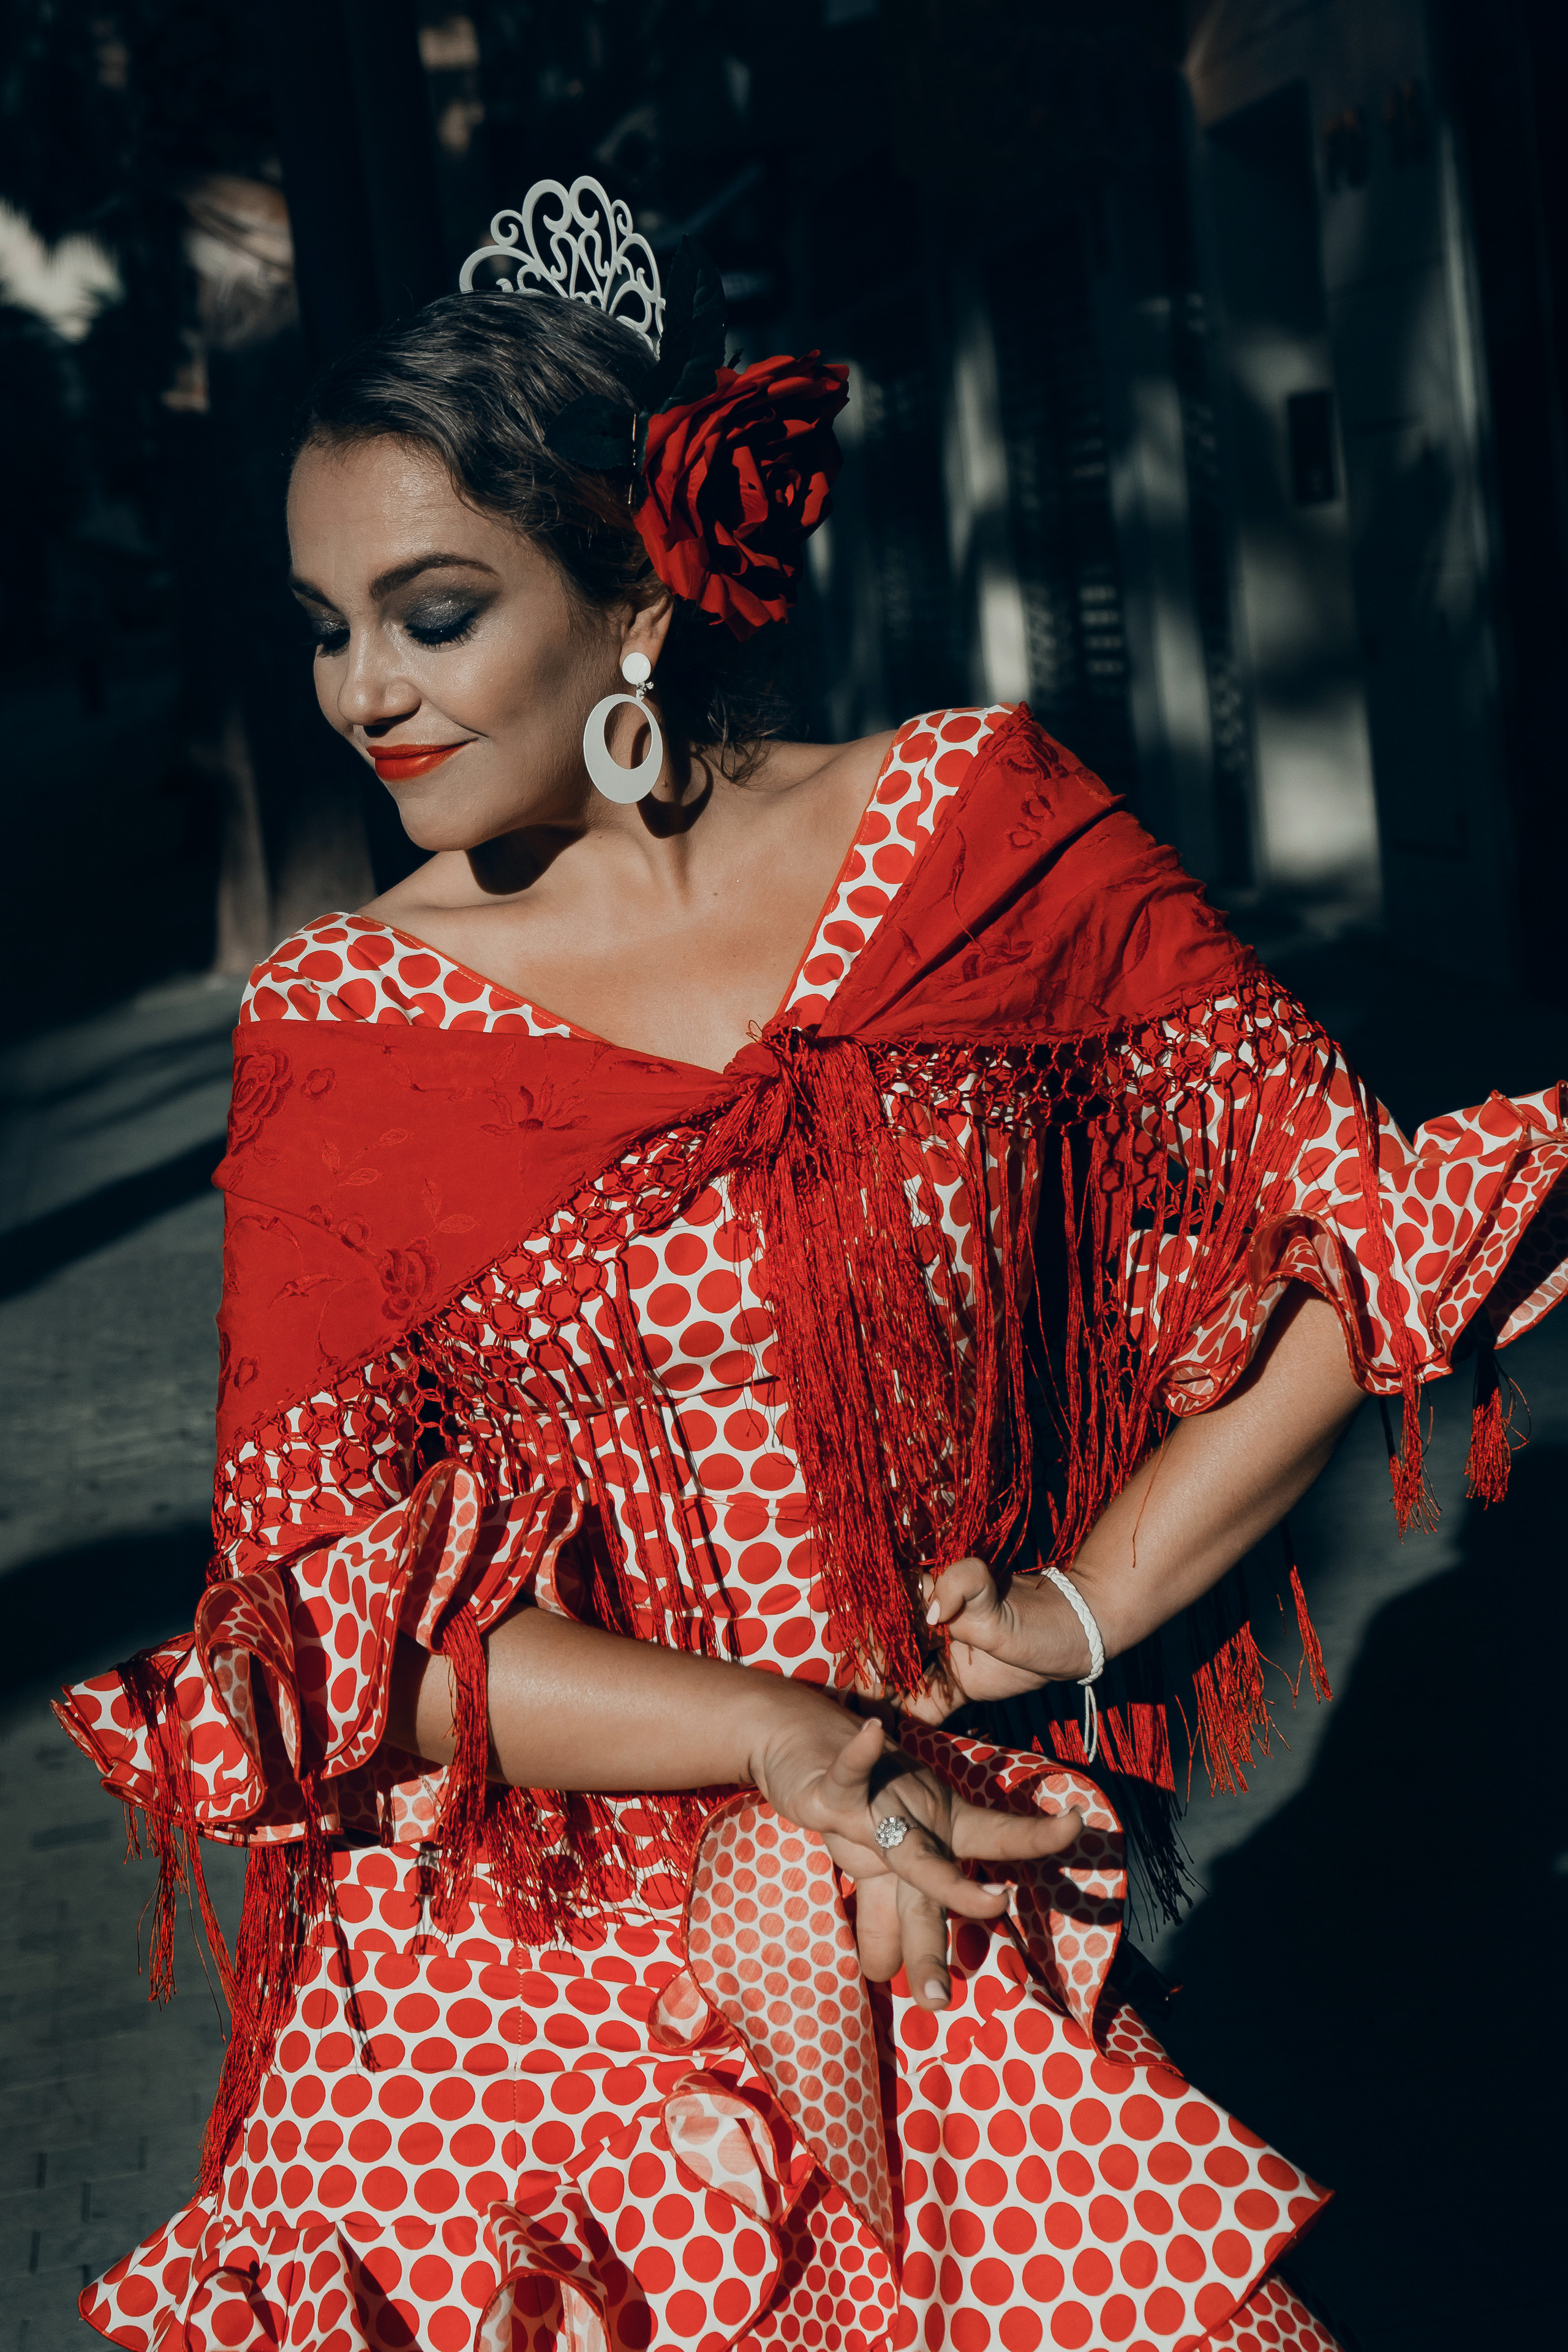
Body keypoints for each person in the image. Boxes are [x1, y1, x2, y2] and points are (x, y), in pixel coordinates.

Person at [58, 186, 1568, 2352]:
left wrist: (1080, 1603)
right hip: (526, 2040)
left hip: (944, 1915)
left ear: (639, 592)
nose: (360, 691)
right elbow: (329, 1632)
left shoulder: (978, 835)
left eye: (432, 610)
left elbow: (1360, 1236)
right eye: (323, 625)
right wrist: (779, 1731)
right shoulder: (345, 1033)